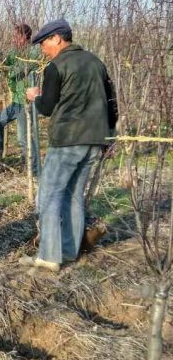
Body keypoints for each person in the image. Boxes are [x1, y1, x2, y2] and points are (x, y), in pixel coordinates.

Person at [20, 19, 117, 271]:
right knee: (74, 195)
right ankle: (69, 251)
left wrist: (35, 96)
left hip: (67, 140)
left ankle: (49, 257)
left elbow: (47, 108)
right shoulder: (96, 62)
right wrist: (110, 134)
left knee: (50, 196)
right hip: (94, 140)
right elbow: (111, 101)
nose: (42, 48)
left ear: (58, 39)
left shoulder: (56, 66)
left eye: (44, 42)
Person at [0, 22, 40, 174]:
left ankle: (32, 168)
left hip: (27, 102)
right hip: (17, 101)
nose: (13, 40)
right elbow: (5, 62)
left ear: (25, 37)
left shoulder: (33, 53)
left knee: (23, 138)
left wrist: (3, 69)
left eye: (16, 37)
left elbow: (16, 72)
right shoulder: (15, 51)